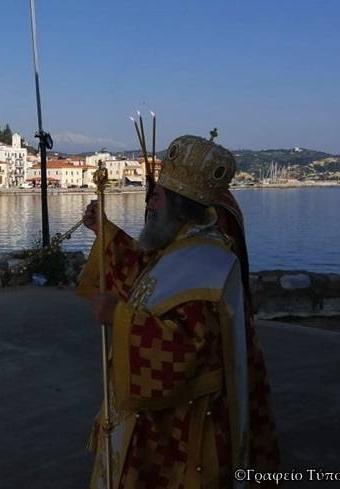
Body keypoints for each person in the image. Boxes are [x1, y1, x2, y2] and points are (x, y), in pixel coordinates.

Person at [77, 134, 280, 489]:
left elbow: (188, 349)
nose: (149, 204)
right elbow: (146, 273)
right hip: (163, 417)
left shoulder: (207, 264)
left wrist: (119, 318)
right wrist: (104, 231)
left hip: (185, 423)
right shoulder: (185, 245)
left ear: (178, 206)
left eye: (156, 196)